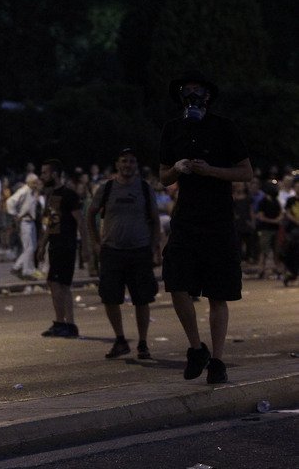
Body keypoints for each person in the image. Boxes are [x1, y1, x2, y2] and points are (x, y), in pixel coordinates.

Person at [159, 70, 253, 384]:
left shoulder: (224, 127)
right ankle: (196, 347)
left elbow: (245, 172)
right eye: (187, 90)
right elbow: (163, 177)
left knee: (218, 292)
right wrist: (177, 167)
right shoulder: (172, 129)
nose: (192, 94)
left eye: (198, 90)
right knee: (176, 283)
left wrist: (211, 170)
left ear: (208, 96)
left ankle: (218, 360)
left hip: (219, 219)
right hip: (186, 218)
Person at [86, 148, 161, 360]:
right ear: (117, 164)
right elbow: (90, 214)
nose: (127, 165)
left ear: (136, 165)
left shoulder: (145, 189)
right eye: (124, 161)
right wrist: (95, 243)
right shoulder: (107, 188)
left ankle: (143, 343)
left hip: (139, 251)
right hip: (112, 251)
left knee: (142, 299)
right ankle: (120, 340)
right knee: (110, 297)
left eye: (131, 161)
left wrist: (154, 248)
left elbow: (155, 221)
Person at [37, 159, 84, 338]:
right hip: (56, 245)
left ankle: (65, 324)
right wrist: (42, 245)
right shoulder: (53, 195)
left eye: (45, 173)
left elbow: (80, 221)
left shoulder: (68, 195)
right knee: (57, 284)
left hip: (66, 245)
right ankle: (65, 324)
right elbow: (51, 223)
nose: (42, 176)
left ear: (54, 174)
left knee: (59, 284)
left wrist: (86, 248)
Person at [254, 181, 283, 280]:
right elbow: (261, 217)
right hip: (265, 230)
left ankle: (278, 271)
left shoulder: (276, 201)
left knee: (276, 251)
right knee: (264, 251)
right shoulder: (263, 202)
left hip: (275, 229)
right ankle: (260, 270)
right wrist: (274, 221)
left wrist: (277, 220)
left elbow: (280, 214)